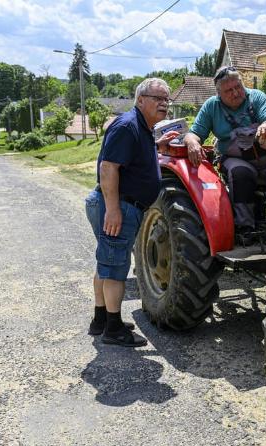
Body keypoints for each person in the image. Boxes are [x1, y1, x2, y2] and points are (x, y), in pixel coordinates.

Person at [85, 78, 178, 347]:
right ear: (140, 100)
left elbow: (134, 158)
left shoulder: (142, 128)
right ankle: (113, 329)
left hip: (121, 204)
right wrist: (113, 210)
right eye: (157, 98)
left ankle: (101, 320)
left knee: (107, 260)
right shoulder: (128, 126)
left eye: (166, 99)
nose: (163, 103)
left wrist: (157, 145)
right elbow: (108, 168)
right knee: (115, 267)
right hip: (118, 205)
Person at [183, 66, 266, 236]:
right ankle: (246, 229)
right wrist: (192, 143)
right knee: (241, 173)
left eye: (238, 87)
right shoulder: (211, 107)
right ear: (219, 94)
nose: (235, 93)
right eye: (229, 90)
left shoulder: (256, 97)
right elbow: (194, 134)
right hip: (236, 159)